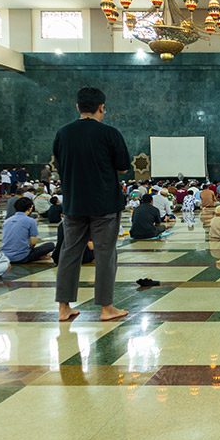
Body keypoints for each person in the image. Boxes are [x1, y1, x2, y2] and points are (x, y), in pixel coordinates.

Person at [53, 86, 131, 322]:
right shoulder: (109, 134)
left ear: (77, 107)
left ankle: (64, 308)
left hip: (74, 203)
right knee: (105, 254)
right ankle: (107, 308)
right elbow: (123, 167)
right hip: (104, 204)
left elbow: (59, 165)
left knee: (69, 254)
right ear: (101, 107)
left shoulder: (62, 134)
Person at [1, 197, 55, 264]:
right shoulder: (31, 221)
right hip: (21, 257)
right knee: (50, 245)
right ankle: (38, 256)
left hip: (5, 256)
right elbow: (33, 242)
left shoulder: (7, 221)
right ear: (30, 208)